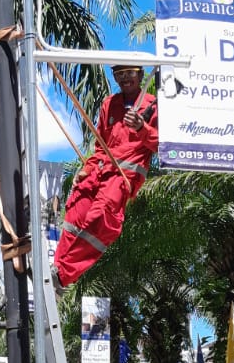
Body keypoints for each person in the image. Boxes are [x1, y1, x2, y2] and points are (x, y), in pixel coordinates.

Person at [53, 64, 159, 287]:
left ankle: (64, 274)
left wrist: (142, 128)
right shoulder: (110, 104)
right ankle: (57, 268)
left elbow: (165, 146)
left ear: (140, 75)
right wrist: (86, 170)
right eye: (119, 74)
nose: (124, 78)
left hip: (123, 176)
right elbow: (101, 145)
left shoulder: (152, 105)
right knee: (76, 209)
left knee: (101, 217)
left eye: (129, 73)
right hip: (100, 169)